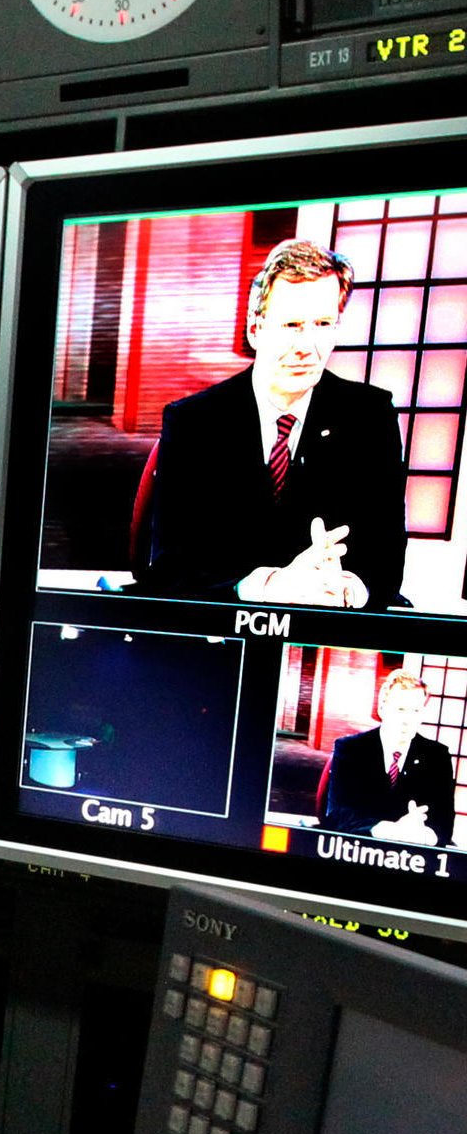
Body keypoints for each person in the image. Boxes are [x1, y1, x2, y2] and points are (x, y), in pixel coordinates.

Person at [141, 237, 407, 609]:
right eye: (292, 324)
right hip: (225, 629)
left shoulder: (370, 416)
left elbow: (386, 559)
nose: (307, 345)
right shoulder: (194, 421)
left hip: (329, 628)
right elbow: (173, 564)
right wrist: (267, 585)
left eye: (323, 324)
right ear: (256, 329)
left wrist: (347, 588)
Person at [318, 668, 456, 845]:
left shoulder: (437, 756)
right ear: (382, 709)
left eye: (415, 711)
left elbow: (444, 823)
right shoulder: (350, 749)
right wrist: (390, 830)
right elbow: (337, 814)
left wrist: (425, 835)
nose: (408, 720)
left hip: (413, 854)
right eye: (400, 709)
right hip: (359, 848)